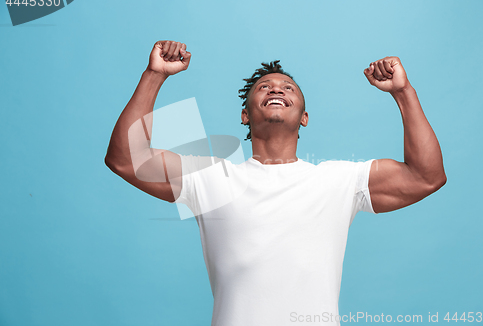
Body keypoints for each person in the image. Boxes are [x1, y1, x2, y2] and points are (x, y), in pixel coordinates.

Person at [105, 40, 446, 325]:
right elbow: (125, 159)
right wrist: (155, 75)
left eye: (288, 88)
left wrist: (403, 93)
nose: (276, 89)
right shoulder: (210, 177)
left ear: (305, 118)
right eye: (264, 87)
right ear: (245, 116)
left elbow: (425, 177)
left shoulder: (338, 179)